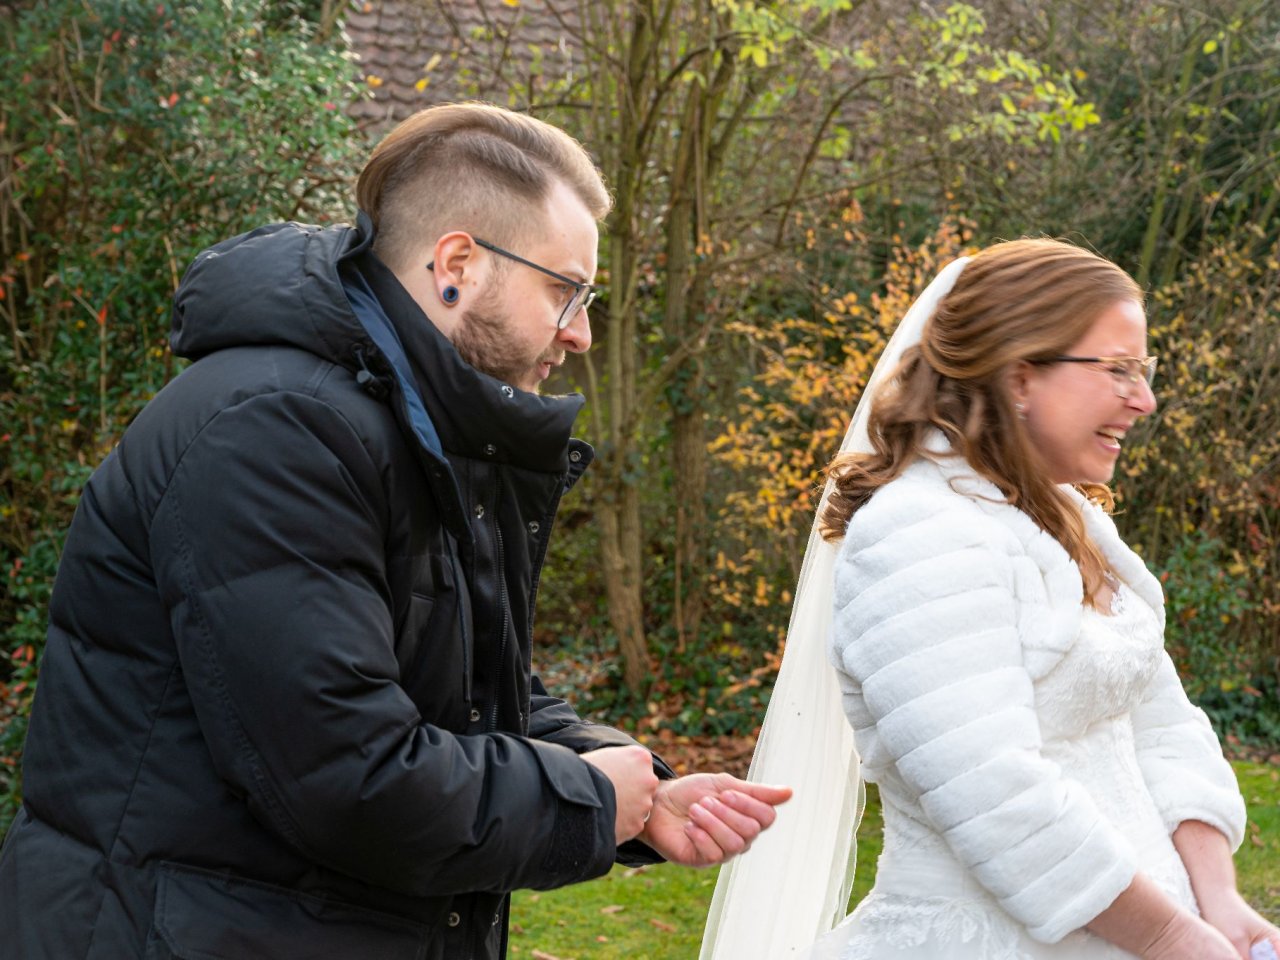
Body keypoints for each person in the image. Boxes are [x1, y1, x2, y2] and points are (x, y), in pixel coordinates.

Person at [0, 102, 791, 959]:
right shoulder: (276, 431)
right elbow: (348, 776)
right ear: (457, 264)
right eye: (566, 289)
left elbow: (466, 695)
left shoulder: (408, 432)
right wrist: (590, 802)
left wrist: (627, 781)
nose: (583, 333)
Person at [701, 238, 1280, 960]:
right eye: (1120, 370)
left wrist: (1219, 903)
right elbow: (994, 793)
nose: (1146, 398)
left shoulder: (1073, 517)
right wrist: (1168, 934)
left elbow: (1160, 723)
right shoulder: (915, 534)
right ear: (1019, 375)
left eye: (1145, 370)